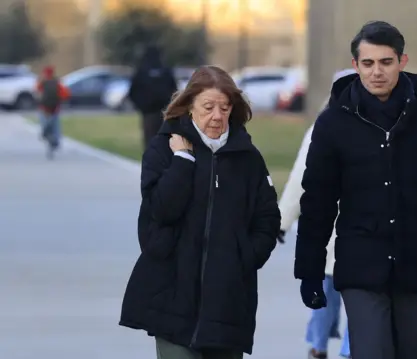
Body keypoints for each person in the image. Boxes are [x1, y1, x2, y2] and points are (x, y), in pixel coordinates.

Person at [294, 21, 417, 359]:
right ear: (355, 66)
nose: (376, 72)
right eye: (368, 63)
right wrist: (309, 269)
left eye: (386, 62)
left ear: (402, 61)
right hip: (360, 263)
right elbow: (317, 201)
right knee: (371, 352)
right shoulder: (334, 123)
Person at [119, 65, 281, 359]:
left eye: (224, 107)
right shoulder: (164, 149)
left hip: (228, 303)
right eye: (208, 107)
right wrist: (183, 160)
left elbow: (267, 218)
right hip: (171, 295)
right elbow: (160, 210)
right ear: (189, 106)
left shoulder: (247, 158)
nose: (217, 116)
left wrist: (245, 256)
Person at [278, 69, 355, 359]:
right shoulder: (327, 129)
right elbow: (302, 180)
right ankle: (331, 348)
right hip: (336, 234)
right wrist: (283, 220)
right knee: (340, 296)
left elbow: (300, 180)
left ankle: (322, 347)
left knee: (334, 295)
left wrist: (284, 222)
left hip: (338, 236)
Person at [128, 45, 178, 150]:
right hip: (165, 112)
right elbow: (174, 91)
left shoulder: (141, 72)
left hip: (148, 113)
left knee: (150, 141)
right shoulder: (166, 71)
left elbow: (132, 92)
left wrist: (141, 106)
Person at [36, 65, 70, 159]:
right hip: (55, 109)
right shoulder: (57, 83)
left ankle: (46, 136)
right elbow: (66, 94)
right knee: (55, 128)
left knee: (45, 127)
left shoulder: (42, 82)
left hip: (44, 109)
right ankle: (55, 142)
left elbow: (36, 91)